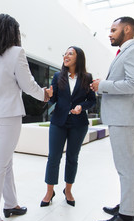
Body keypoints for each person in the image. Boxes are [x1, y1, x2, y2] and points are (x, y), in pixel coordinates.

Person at [0, 14, 53, 221]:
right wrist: (45, 95)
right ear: (12, 32)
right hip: (8, 116)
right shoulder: (16, 53)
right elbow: (28, 85)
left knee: (5, 162)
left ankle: (11, 205)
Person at [90, 16, 134, 221]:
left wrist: (102, 85)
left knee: (125, 168)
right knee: (125, 167)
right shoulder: (125, 52)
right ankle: (126, 205)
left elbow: (133, 84)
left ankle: (126, 217)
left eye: (114, 29)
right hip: (120, 118)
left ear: (128, 29)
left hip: (124, 119)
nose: (110, 33)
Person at [41, 46, 96, 207]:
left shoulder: (87, 77)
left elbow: (92, 100)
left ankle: (68, 190)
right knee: (53, 158)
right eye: (65, 53)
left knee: (72, 158)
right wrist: (49, 96)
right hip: (59, 122)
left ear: (78, 58)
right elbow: (53, 99)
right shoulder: (58, 76)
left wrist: (81, 107)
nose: (66, 56)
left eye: (70, 53)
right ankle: (49, 191)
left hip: (78, 124)